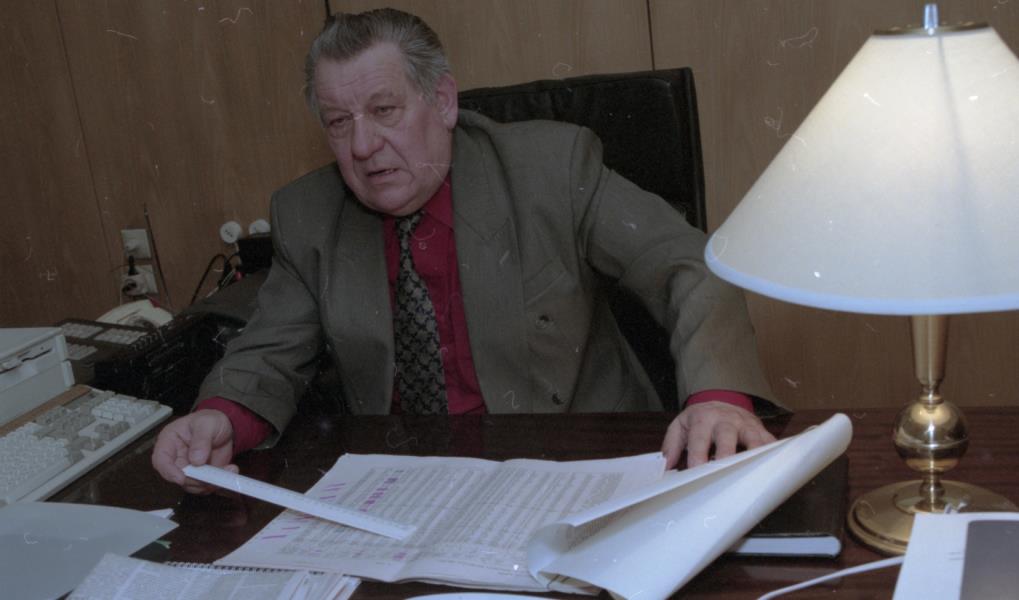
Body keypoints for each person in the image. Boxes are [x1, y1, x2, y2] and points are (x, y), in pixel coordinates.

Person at [152, 8, 779, 495]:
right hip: (407, 488)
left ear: (444, 101)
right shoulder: (309, 214)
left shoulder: (549, 168)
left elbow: (690, 265)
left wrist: (718, 398)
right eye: (339, 122)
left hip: (580, 466)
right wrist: (220, 418)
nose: (362, 147)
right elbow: (269, 352)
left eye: (384, 110)